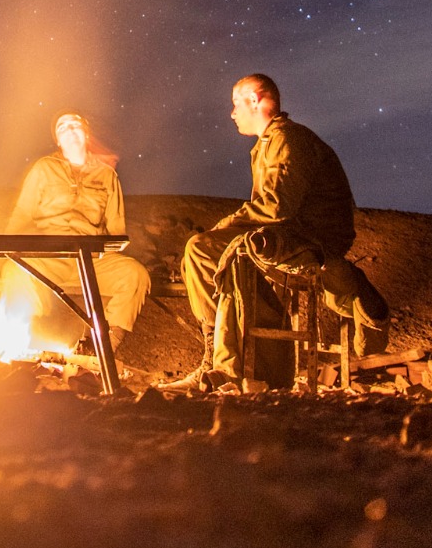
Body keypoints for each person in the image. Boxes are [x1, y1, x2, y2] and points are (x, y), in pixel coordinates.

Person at [165, 73, 390, 393]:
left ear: (255, 101)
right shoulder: (269, 143)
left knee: (203, 248)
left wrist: (227, 224)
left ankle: (223, 364)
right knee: (221, 252)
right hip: (295, 232)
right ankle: (236, 363)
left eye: (235, 104)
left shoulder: (287, 139)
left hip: (311, 238)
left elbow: (275, 207)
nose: (232, 113)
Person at [2, 111, 150, 352]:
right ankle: (17, 348)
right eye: (62, 127)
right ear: (58, 141)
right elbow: (22, 214)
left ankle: (103, 348)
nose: (69, 130)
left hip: (91, 261)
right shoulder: (44, 168)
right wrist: (6, 253)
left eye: (75, 125)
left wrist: (112, 255)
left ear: (87, 134)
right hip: (49, 258)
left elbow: (115, 229)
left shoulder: (108, 176)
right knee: (15, 271)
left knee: (135, 274)